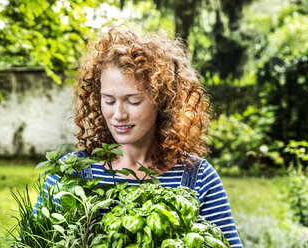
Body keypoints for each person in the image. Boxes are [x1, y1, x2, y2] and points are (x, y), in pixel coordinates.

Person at [35, 27, 243, 247]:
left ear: (162, 101)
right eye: (108, 100)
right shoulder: (70, 173)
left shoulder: (198, 178)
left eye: (133, 101)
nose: (119, 114)